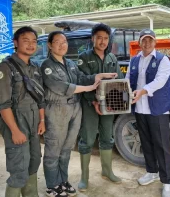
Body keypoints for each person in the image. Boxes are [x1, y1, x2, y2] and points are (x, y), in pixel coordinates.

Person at [40, 31, 117, 197]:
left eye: (65, 41)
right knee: (54, 148)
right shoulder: (47, 65)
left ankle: (63, 181)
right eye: (58, 42)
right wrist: (89, 88)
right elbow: (60, 87)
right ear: (50, 45)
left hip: (74, 109)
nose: (62, 45)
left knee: (67, 148)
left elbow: (82, 78)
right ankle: (52, 185)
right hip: (56, 110)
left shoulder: (70, 64)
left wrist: (99, 76)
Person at [0, 26, 45, 197]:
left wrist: (42, 120)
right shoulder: (5, 68)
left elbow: (40, 98)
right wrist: (15, 131)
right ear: (15, 43)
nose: (31, 45)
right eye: (25, 41)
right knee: (19, 169)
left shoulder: (35, 67)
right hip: (16, 122)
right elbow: (3, 104)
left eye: (34, 41)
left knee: (34, 162)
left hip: (34, 122)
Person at [126, 29, 170, 197]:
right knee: (146, 142)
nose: (146, 43)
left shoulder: (163, 60)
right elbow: (127, 80)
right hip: (140, 109)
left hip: (158, 110)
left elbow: (160, 81)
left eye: (150, 40)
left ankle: (168, 181)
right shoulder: (134, 60)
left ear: (155, 42)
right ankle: (151, 171)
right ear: (139, 42)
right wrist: (127, 91)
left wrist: (143, 91)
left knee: (162, 146)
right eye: (143, 40)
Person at [76, 23, 124, 191]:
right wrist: (96, 98)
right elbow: (80, 80)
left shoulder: (112, 58)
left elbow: (119, 82)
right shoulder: (84, 57)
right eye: (99, 38)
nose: (102, 41)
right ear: (93, 39)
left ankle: (107, 171)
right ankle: (84, 178)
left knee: (107, 137)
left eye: (105, 38)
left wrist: (115, 102)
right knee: (87, 139)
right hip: (90, 104)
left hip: (108, 106)